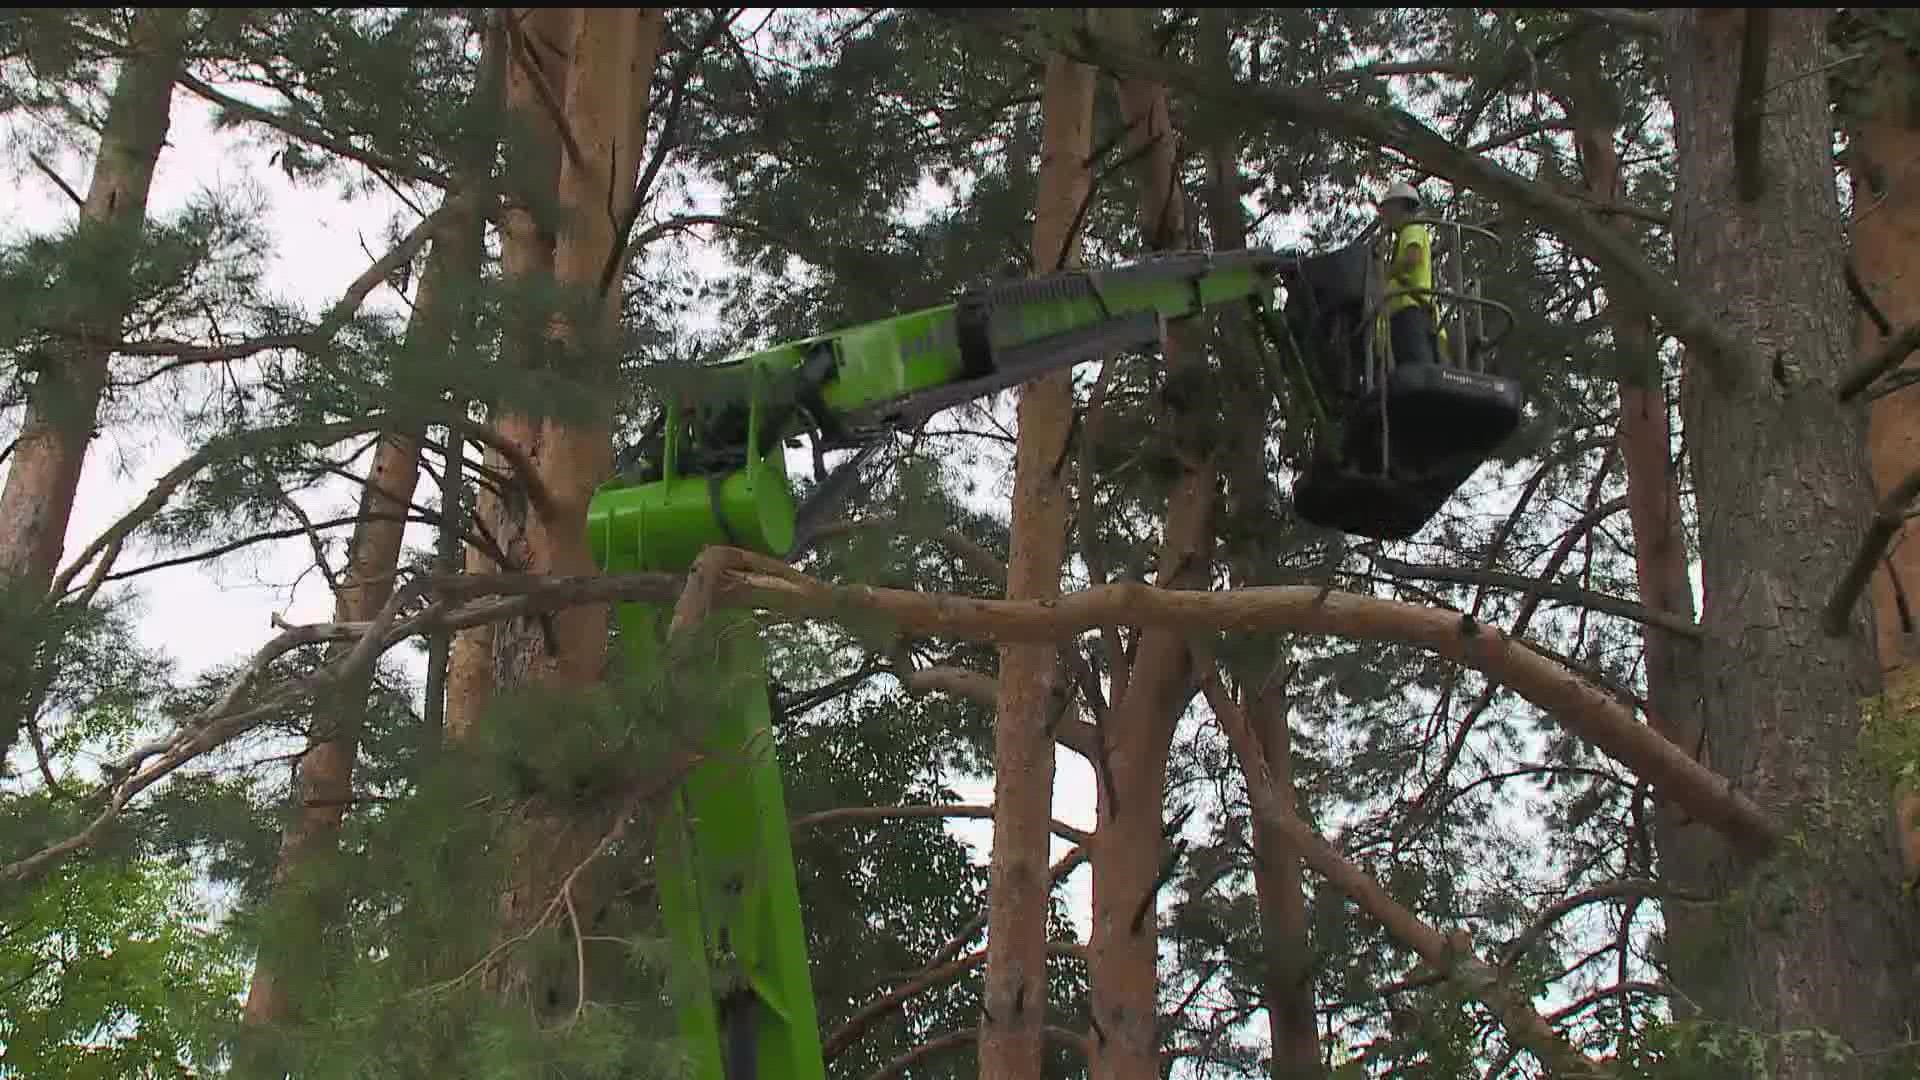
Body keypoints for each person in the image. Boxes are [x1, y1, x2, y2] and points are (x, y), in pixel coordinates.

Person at [1376, 181, 1442, 367]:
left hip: (1411, 311)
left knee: (1417, 370)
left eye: (1388, 210)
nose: (1386, 217)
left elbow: (1413, 257)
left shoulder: (1412, 229)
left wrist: (1388, 273)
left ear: (1399, 207)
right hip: (1405, 312)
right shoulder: (1406, 233)